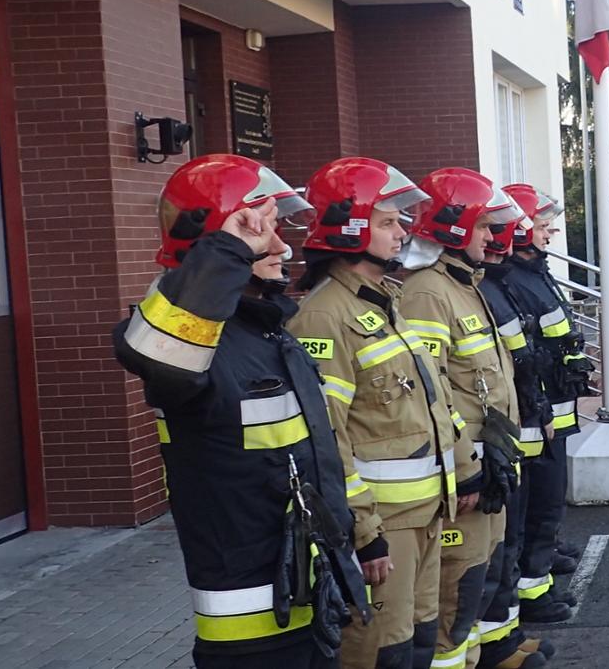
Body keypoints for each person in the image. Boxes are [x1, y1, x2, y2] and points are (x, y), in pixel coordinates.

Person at [113, 155, 365, 669]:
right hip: (248, 614)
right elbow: (161, 353)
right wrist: (226, 250)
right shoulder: (188, 340)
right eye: (261, 234)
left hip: (304, 591)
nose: (281, 246)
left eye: (275, 230)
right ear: (215, 243)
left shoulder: (266, 333)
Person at [286, 157, 459, 669]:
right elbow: (327, 440)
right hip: (385, 527)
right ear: (349, 227)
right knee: (381, 651)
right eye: (387, 222)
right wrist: (364, 534)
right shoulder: (323, 316)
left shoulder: (386, 300)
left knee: (419, 640)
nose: (403, 230)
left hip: (426, 513)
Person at [398, 168, 545, 669]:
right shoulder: (427, 293)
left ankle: (487, 652)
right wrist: (465, 467)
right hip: (466, 472)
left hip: (489, 465)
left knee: (484, 571)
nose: (492, 237)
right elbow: (431, 391)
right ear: (454, 227)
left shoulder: (465, 285)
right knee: (454, 589)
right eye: (484, 227)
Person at [496, 185, 587, 622]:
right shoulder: (514, 280)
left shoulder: (531, 272)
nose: (550, 230)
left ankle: (542, 562)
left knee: (547, 498)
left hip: (552, 406)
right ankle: (533, 590)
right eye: (542, 221)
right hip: (537, 414)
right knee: (536, 501)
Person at [475, 221, 563, 668]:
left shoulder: (496, 284)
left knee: (513, 534)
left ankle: (505, 636)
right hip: (506, 432)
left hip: (519, 423)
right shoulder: (463, 290)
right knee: (504, 540)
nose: (547, 234)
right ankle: (497, 642)